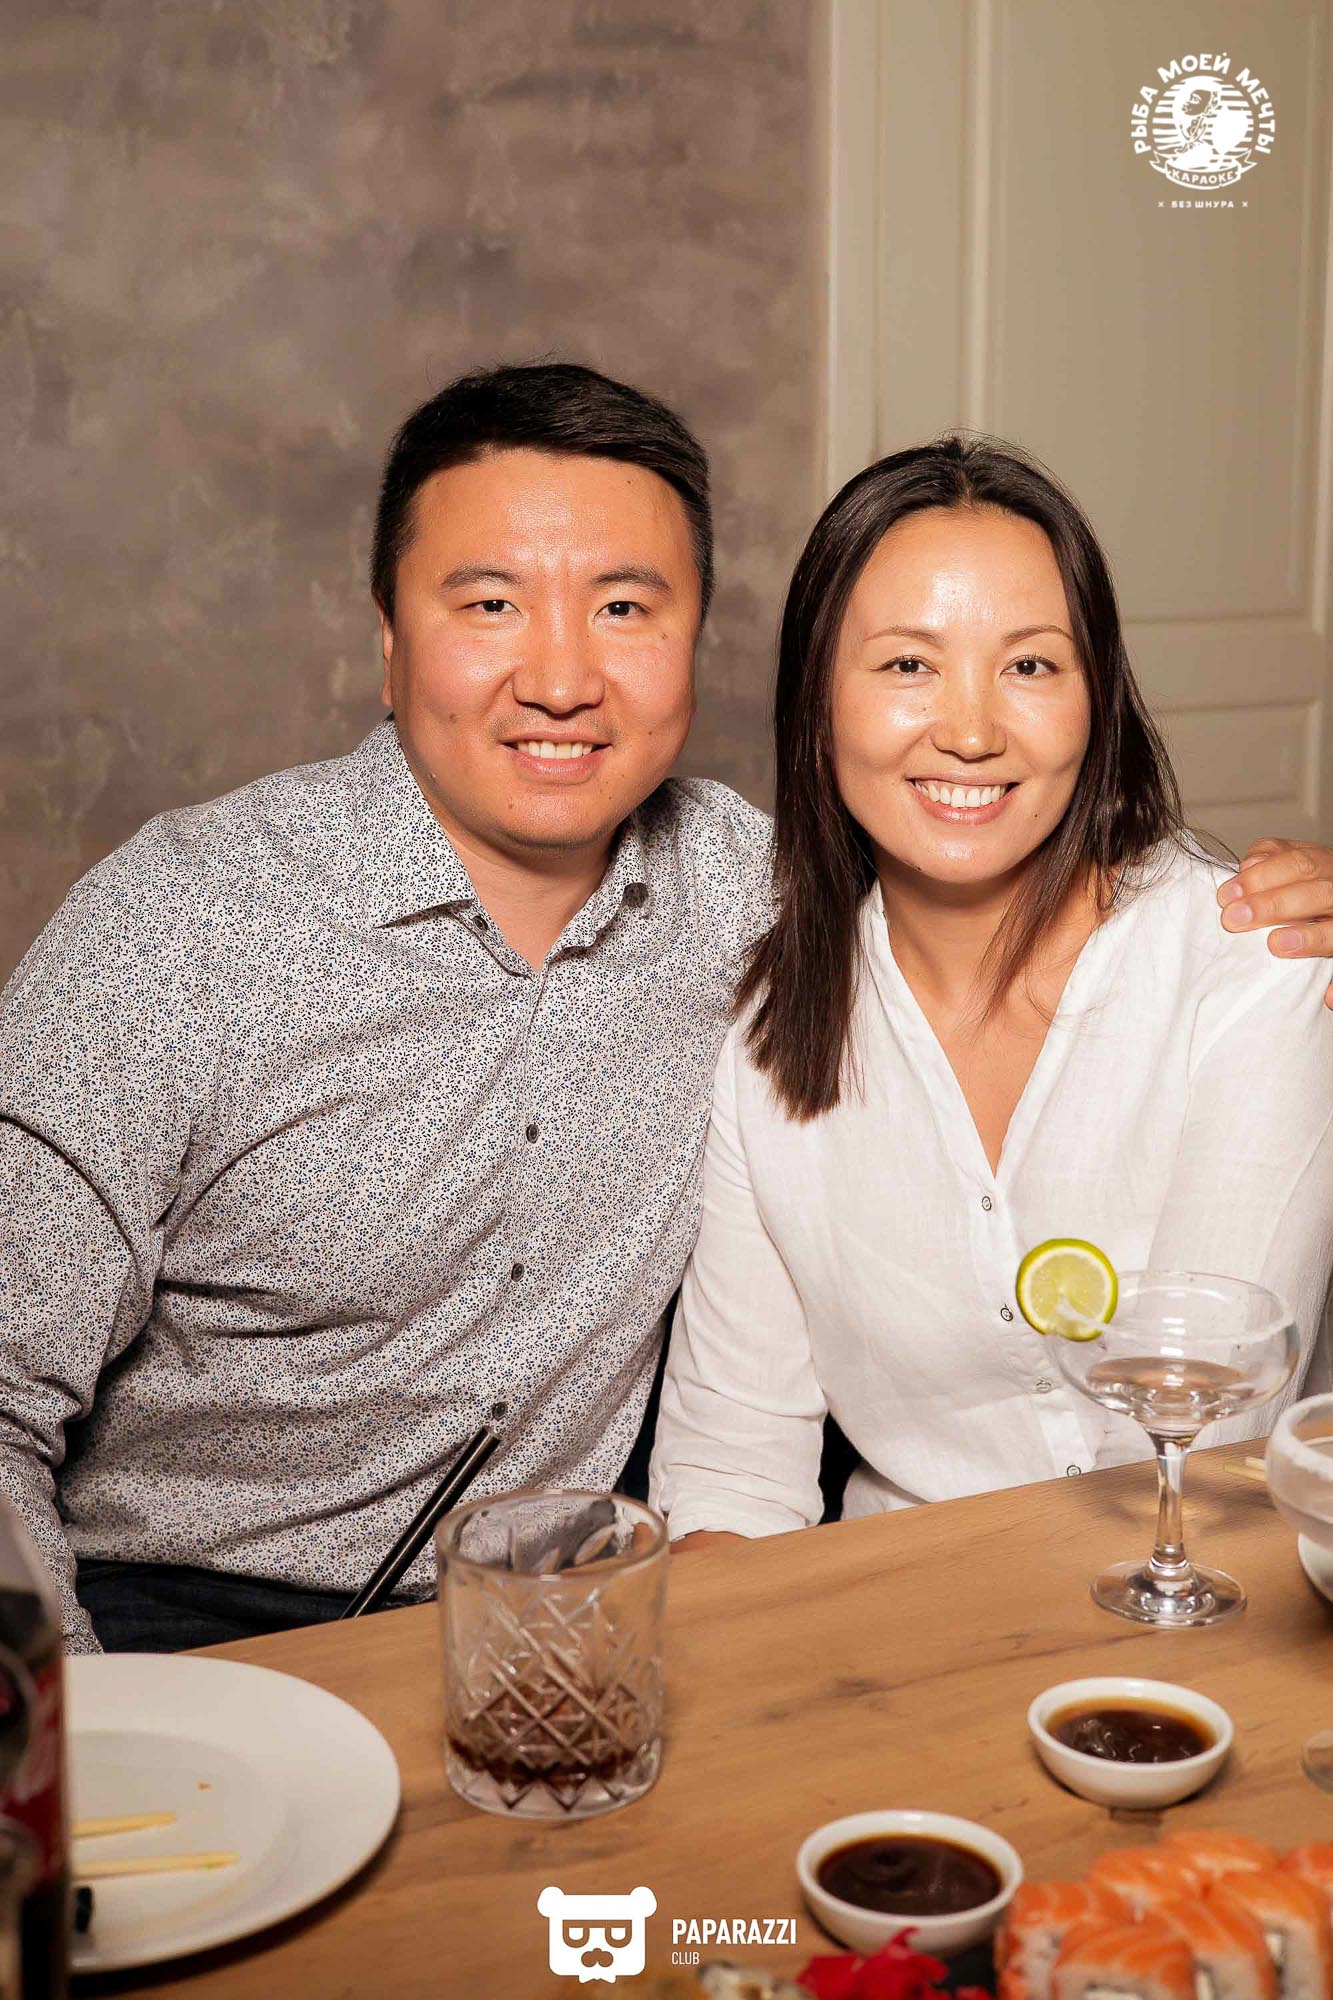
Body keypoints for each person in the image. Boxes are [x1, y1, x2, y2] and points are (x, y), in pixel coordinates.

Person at [0, 375, 1330, 1652]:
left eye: (624, 606)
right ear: (389, 640)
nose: (560, 677)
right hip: (188, 1615)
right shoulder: (181, 930)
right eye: (491, 603)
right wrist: (66, 1729)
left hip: (576, 1604)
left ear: (699, 640)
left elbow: (1018, 872)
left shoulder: (752, 906)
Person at [651, 437, 1333, 1547]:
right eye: (905, 665)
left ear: (1096, 700)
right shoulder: (767, 1040)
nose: (969, 733)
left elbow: (1198, 1442)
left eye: (1029, 667)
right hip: (888, 1613)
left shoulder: (1250, 963)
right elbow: (733, 1457)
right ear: (817, 701)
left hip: (1184, 1597)